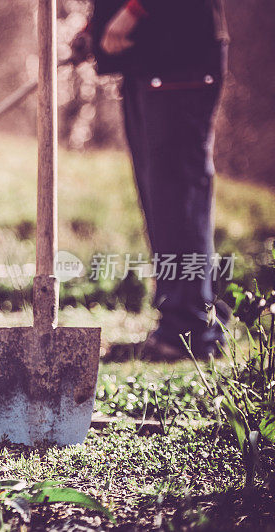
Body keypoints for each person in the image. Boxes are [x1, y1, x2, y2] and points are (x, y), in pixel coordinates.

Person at [71, 0, 230, 359]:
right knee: (161, 198)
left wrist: (135, 11)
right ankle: (189, 320)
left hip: (179, 53)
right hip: (149, 59)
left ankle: (189, 330)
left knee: (178, 196)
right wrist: (96, 27)